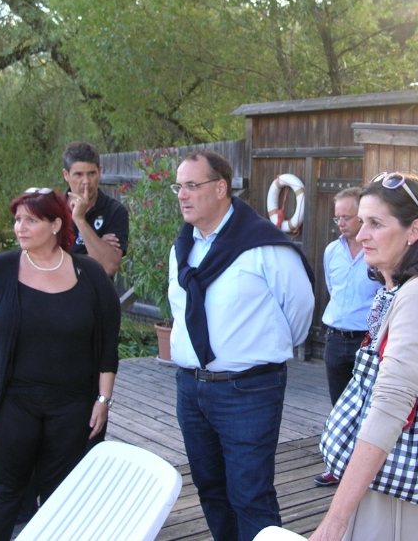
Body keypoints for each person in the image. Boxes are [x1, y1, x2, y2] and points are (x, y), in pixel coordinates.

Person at [309, 172, 418, 541]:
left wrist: (335, 520)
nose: (361, 234)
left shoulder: (416, 296)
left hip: (394, 492)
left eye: (375, 224)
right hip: (387, 474)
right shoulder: (405, 287)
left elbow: (390, 407)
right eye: (361, 222)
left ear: (414, 231)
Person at [168, 150, 315, 541]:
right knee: (210, 487)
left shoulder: (265, 245)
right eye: (178, 186)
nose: (182, 194)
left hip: (248, 390)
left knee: (251, 495)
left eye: (192, 185)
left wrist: (263, 348)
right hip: (190, 388)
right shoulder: (182, 248)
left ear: (220, 188)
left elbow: (300, 309)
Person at [0, 188, 121, 541]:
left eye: (31, 220)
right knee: (4, 488)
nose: (20, 227)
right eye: (18, 220)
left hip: (73, 406)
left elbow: (109, 342)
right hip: (10, 402)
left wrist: (103, 400)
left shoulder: (90, 275)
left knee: (63, 493)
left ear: (56, 224)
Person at [316, 187, 381, 487]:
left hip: (366, 341)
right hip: (335, 338)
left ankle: (366, 473)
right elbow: (332, 289)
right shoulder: (332, 251)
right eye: (337, 217)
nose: (341, 223)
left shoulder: (376, 251)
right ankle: (337, 466)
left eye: (347, 217)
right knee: (338, 407)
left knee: (368, 408)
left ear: (362, 216)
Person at [63, 141, 129, 277]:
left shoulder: (115, 211)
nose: (86, 181)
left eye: (91, 173)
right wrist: (98, 250)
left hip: (96, 290)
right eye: (78, 175)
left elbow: (108, 266)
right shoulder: (53, 210)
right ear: (66, 175)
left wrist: (79, 219)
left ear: (100, 171)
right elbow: (42, 264)